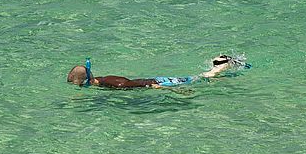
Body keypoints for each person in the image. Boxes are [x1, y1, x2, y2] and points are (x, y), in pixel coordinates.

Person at [67, 54, 249, 89]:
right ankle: (219, 65)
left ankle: (222, 64)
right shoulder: (101, 81)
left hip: (160, 83)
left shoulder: (111, 82)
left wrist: (165, 88)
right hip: (156, 81)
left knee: (202, 80)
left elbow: (128, 83)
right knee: (200, 80)